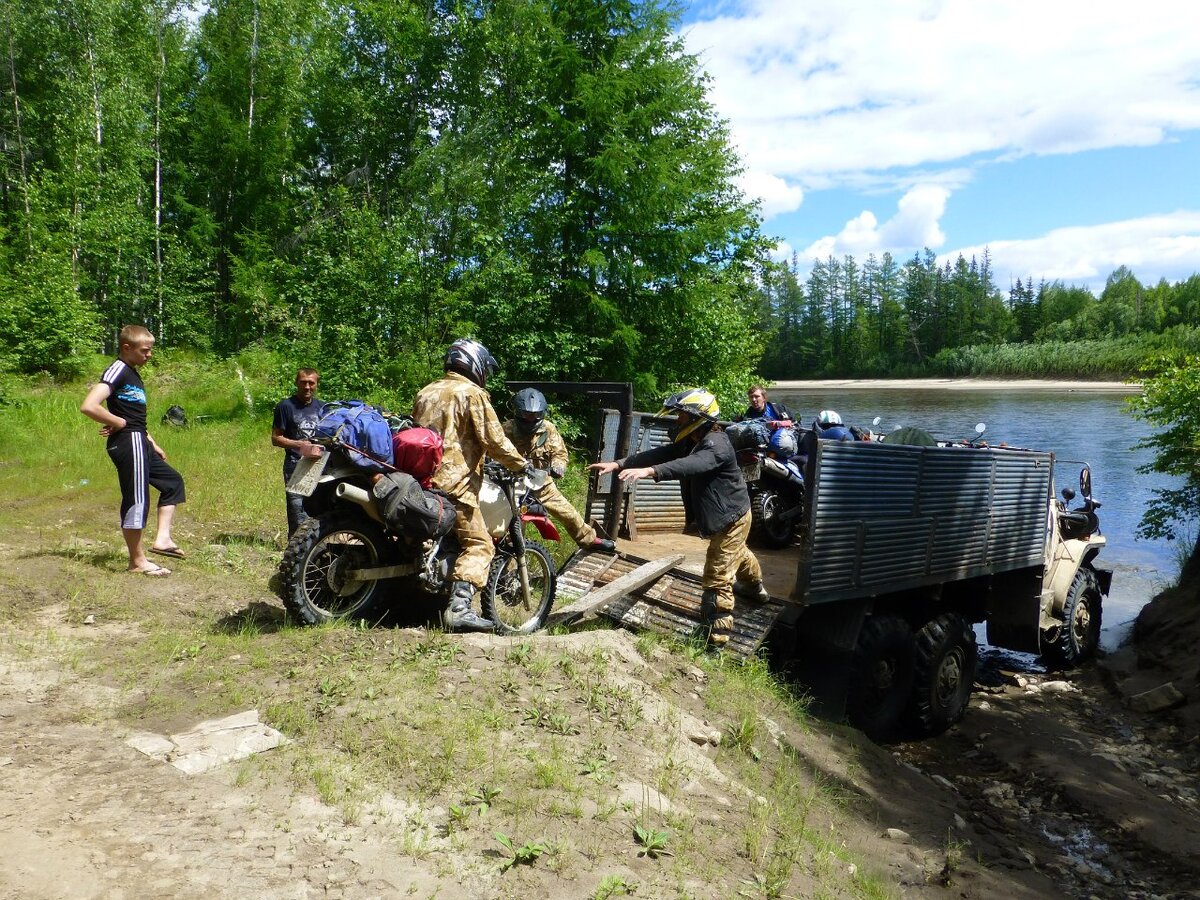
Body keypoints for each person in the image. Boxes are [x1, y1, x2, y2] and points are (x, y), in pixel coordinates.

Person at [590, 388, 769, 649]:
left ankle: (714, 645)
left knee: (717, 576)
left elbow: (693, 465)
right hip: (725, 515)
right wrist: (619, 464)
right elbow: (661, 454)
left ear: (699, 417)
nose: (678, 421)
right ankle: (755, 588)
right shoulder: (693, 439)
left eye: (682, 416)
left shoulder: (716, 443)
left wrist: (651, 472)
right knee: (737, 554)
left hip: (732, 517)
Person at [412, 339, 530, 631]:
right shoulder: (473, 394)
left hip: (419, 479)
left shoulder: (427, 391)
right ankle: (460, 607)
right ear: (474, 364)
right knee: (480, 545)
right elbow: (494, 439)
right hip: (454, 486)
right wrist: (522, 465)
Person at [79, 324, 187, 576]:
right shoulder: (118, 370)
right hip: (129, 442)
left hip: (140, 440)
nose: (149, 355)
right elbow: (89, 405)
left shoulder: (133, 374)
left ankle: (162, 540)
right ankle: (137, 562)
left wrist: (152, 442)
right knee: (137, 499)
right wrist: (118, 423)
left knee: (172, 483)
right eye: (145, 350)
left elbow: (133, 416)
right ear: (127, 348)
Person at [502, 388, 616, 554]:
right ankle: (508, 571)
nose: (530, 419)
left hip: (542, 484)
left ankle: (590, 540)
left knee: (569, 514)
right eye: (526, 414)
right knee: (513, 529)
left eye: (535, 415)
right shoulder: (506, 430)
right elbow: (492, 451)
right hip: (511, 487)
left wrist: (558, 467)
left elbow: (559, 453)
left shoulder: (548, 429)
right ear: (517, 412)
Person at [271, 367, 324, 535]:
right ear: (296, 383)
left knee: (317, 508)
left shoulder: (323, 408)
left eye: (311, 383)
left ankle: (315, 547)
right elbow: (276, 438)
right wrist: (299, 445)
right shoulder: (285, 406)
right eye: (303, 382)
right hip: (295, 464)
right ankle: (295, 549)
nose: (307, 387)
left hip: (319, 464)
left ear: (316, 384)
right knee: (296, 510)